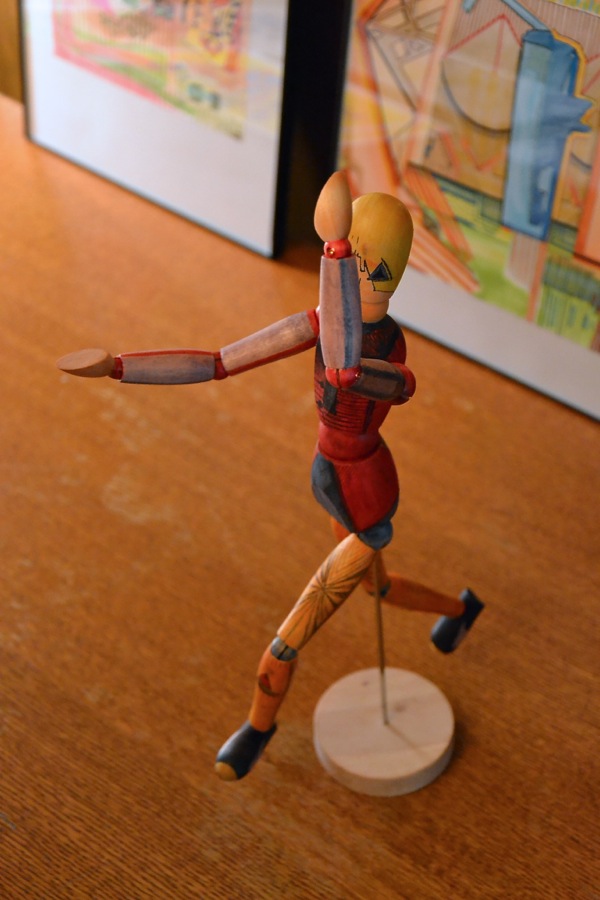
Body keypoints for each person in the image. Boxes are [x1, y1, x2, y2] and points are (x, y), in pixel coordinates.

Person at [58, 174, 483, 782]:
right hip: (329, 475)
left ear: (378, 271)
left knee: (287, 641)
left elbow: (382, 381)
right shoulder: (319, 322)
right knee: (379, 589)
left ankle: (258, 728)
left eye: (356, 261)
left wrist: (354, 363)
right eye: (341, 258)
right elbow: (217, 362)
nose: (345, 273)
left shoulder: (388, 351)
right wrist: (119, 368)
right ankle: (461, 609)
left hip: (365, 497)